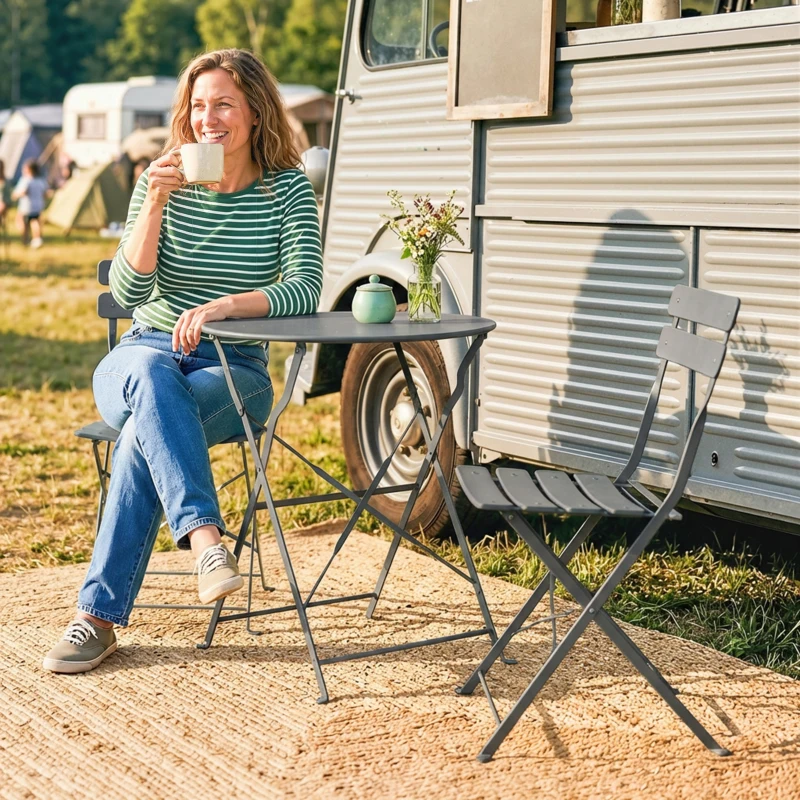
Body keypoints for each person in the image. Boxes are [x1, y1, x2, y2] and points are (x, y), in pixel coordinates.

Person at [43, 48, 323, 674]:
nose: (208, 119)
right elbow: (127, 296)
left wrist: (228, 306)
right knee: (148, 376)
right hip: (141, 354)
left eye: (223, 103)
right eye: (198, 106)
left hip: (235, 373)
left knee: (148, 427)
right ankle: (206, 542)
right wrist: (154, 207)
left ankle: (96, 620)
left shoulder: (286, 190)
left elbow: (306, 285)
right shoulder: (159, 181)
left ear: (254, 111)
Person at [12, 159, 49, 248]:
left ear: (29, 170)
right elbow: (45, 193)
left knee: (24, 224)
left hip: (26, 207)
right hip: (37, 206)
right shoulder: (41, 181)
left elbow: (23, 191)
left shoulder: (26, 180)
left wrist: (16, 195)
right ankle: (37, 239)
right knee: (35, 222)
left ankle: (25, 240)